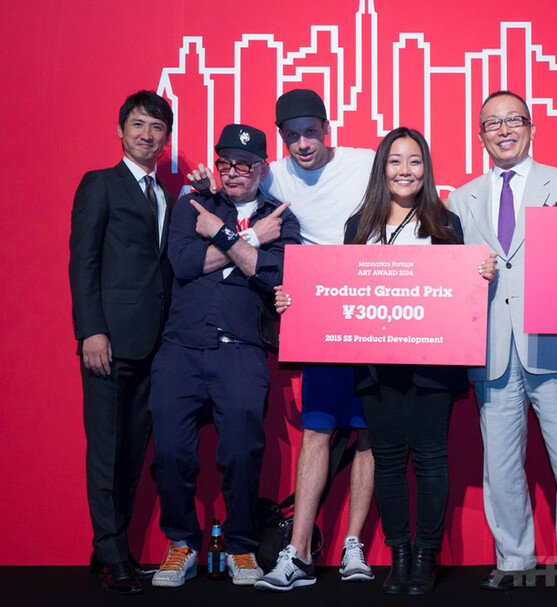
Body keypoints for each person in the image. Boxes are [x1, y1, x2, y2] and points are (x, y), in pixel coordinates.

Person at [276, 127, 497, 594]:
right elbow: (338, 293)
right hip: (375, 365)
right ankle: (399, 555)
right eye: (395, 161)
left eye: (414, 161)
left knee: (431, 457)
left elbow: (462, 294)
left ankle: (425, 556)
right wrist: (295, 300)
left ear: (426, 169)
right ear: (382, 169)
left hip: (434, 364)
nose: (405, 170)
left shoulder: (446, 223)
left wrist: (482, 273)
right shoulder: (358, 226)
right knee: (390, 459)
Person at [189, 89, 377, 591]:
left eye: (310, 132)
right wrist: (203, 184)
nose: (302, 144)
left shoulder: (366, 162)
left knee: (368, 433)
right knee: (317, 429)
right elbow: (234, 181)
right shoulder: (272, 174)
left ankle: (353, 545)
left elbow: (409, 196)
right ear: (280, 138)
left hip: (373, 304)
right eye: (291, 136)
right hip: (317, 312)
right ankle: (298, 552)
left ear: (327, 128)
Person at [447, 91, 557, 595]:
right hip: (490, 349)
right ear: (481, 136)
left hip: (554, 342)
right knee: (501, 463)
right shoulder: (461, 198)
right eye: (493, 123)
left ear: (531, 127)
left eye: (513, 120)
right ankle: (513, 558)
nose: (504, 130)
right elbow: (450, 275)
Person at [148, 123, 300, 588]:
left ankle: (240, 545)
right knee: (170, 452)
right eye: (225, 164)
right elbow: (185, 264)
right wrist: (250, 240)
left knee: (241, 453)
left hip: (241, 353)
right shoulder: (195, 205)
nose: (233, 173)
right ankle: (181, 544)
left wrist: (222, 238)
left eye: (244, 166)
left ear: (263, 169)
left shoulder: (282, 218)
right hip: (180, 348)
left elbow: (274, 278)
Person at [68, 90, 175, 595]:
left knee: (132, 453)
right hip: (108, 342)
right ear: (120, 130)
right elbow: (83, 260)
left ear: (166, 137)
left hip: (153, 344)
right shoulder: (100, 184)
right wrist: (91, 330)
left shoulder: (165, 194)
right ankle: (113, 553)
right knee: (106, 452)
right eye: (138, 125)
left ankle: (111, 548)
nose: (147, 135)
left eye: (157, 127)